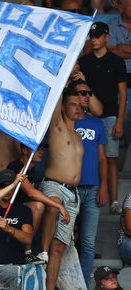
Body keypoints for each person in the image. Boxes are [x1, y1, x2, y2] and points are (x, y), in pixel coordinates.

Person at [37, 89, 84, 290]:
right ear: (64, 107)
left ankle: (50, 287)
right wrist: (63, 84)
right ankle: (42, 251)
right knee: (54, 206)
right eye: (72, 104)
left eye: (79, 104)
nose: (77, 107)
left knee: (60, 246)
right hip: (53, 184)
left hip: (73, 193)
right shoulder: (57, 126)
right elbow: (54, 100)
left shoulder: (78, 136)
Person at [79, 21, 127, 214]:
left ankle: (114, 200)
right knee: (89, 156)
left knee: (111, 157)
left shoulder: (116, 61)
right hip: (87, 116)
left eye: (98, 36)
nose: (94, 39)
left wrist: (120, 120)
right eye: (92, 36)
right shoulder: (84, 61)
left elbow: (122, 93)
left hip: (109, 117)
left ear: (107, 37)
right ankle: (93, 193)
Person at [72, 79, 109, 282]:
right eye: (81, 93)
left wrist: (103, 185)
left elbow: (103, 158)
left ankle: (83, 285)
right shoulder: (66, 121)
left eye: (88, 93)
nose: (86, 97)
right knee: (64, 243)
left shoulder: (96, 123)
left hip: (93, 189)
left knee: (87, 244)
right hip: (70, 188)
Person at [0, 169, 33, 265]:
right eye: (4, 186)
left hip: (13, 265)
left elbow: (28, 239)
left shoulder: (23, 210)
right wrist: (12, 185)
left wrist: (10, 229)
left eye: (11, 187)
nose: (8, 191)